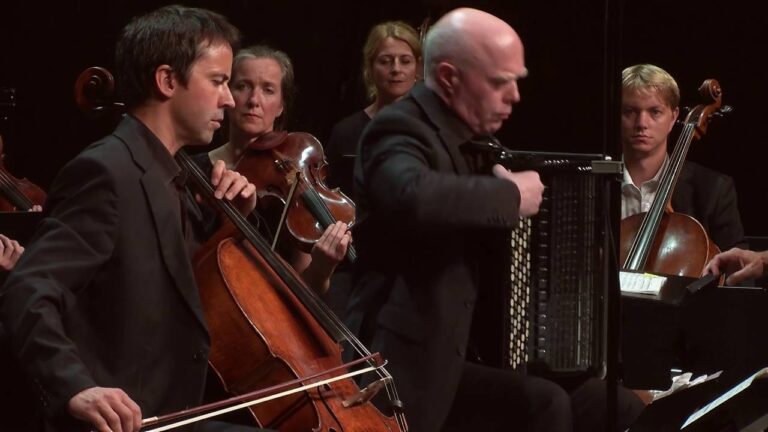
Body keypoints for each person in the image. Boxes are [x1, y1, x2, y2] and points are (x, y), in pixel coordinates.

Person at [346, 8, 644, 432]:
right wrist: (510, 195)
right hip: (410, 361)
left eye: (516, 81)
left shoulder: (479, 141)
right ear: (449, 77)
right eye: (500, 82)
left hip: (483, 350)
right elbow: (414, 196)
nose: (515, 96)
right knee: (543, 406)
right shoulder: (397, 129)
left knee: (617, 406)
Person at [0, 6, 263, 432]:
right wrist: (75, 387)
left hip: (176, 412)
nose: (230, 99)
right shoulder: (106, 173)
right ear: (166, 80)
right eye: (218, 81)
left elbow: (183, 284)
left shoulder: (173, 175)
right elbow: (28, 289)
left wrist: (232, 223)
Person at [203, 44, 351, 295]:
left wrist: (322, 269)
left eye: (268, 90)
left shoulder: (294, 177)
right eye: (242, 86)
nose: (253, 101)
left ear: (281, 105)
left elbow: (308, 289)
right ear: (227, 95)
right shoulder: (197, 169)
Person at [620, 63, 745, 252]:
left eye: (655, 112)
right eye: (630, 111)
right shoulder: (593, 187)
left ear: (673, 117)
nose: (641, 123)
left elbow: (736, 273)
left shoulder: (713, 189)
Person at [325, 20, 422, 198]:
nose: (396, 69)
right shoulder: (345, 132)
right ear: (369, 68)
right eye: (385, 61)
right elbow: (331, 197)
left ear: (418, 68)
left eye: (405, 61)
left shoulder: (435, 128)